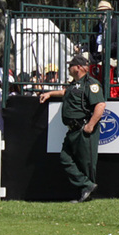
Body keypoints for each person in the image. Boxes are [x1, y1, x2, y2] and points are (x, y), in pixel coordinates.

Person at [39, 52, 106, 202]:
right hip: (72, 130)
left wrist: (90, 125)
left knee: (87, 163)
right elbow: (66, 92)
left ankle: (86, 193)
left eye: (71, 66)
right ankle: (86, 186)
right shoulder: (74, 84)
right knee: (65, 157)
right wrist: (50, 93)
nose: (69, 68)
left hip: (83, 129)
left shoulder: (91, 84)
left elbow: (100, 105)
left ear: (78, 67)